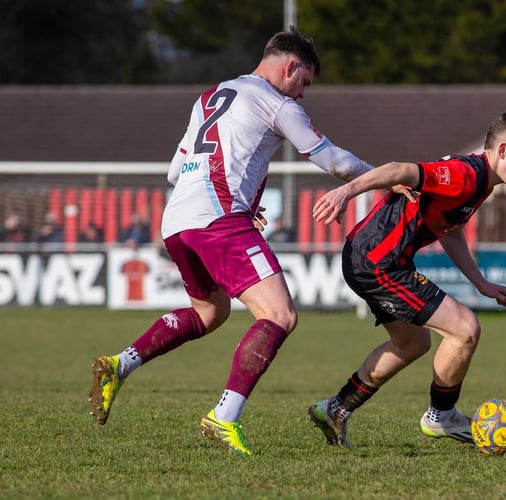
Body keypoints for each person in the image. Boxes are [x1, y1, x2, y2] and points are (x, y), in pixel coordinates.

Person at [88, 27, 408, 456]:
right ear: (290, 67)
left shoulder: (211, 96)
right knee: (279, 314)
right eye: (305, 83)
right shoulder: (275, 102)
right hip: (218, 218)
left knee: (209, 312)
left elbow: (173, 172)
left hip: (178, 220)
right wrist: (388, 179)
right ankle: (224, 417)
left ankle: (119, 364)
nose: (302, 95)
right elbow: (335, 161)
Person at [307, 109, 506, 447]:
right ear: (504, 150)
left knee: (413, 343)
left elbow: (450, 233)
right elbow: (396, 170)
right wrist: (345, 192)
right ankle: (442, 416)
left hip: (374, 258)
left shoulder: (481, 184)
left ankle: (335, 409)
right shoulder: (464, 174)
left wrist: (482, 284)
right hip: (378, 261)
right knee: (465, 329)